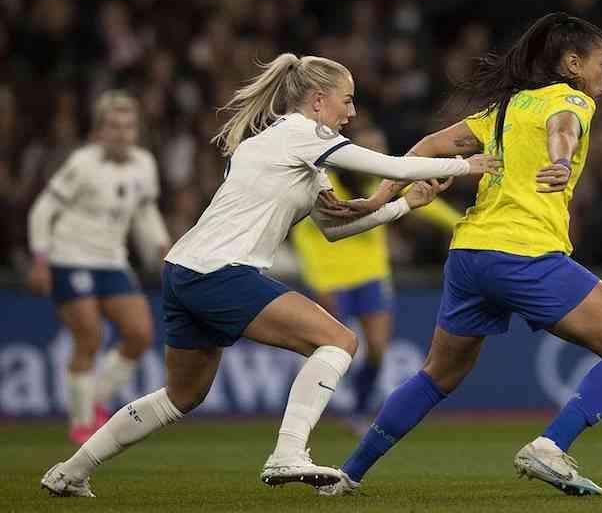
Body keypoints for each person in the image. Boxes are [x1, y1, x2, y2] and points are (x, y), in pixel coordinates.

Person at [41, 53, 499, 497]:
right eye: (346, 100)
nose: (352, 112)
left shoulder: (281, 148)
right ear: (318, 100)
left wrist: (403, 205)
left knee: (181, 395)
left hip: (185, 270)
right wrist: (466, 164)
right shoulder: (304, 134)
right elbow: (392, 166)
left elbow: (336, 228)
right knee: (338, 341)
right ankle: (287, 453)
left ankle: (70, 471)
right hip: (221, 272)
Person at [322, 12, 602, 498]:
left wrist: (379, 197)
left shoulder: (506, 108)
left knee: (437, 375)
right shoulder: (572, 99)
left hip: (469, 255)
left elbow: (430, 146)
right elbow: (563, 128)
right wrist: (561, 161)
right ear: (572, 64)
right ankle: (550, 446)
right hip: (524, 253)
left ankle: (348, 474)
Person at [290, 124, 461, 435]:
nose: (378, 155)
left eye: (380, 149)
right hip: (330, 278)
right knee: (328, 347)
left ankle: (357, 410)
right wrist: (316, 278)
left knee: (378, 349)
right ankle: (302, 414)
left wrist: (459, 222)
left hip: (371, 276)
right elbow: (302, 234)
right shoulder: (325, 187)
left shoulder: (380, 184)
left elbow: (428, 205)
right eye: (371, 149)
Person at [27, 90, 170, 445]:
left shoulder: (144, 163)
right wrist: (41, 259)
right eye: (114, 126)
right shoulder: (82, 163)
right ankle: (81, 422)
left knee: (140, 334)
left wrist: (162, 247)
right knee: (89, 337)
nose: (122, 134)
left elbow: (145, 212)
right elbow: (43, 210)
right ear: (100, 130)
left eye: (128, 127)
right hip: (70, 256)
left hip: (112, 260)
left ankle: (96, 401)